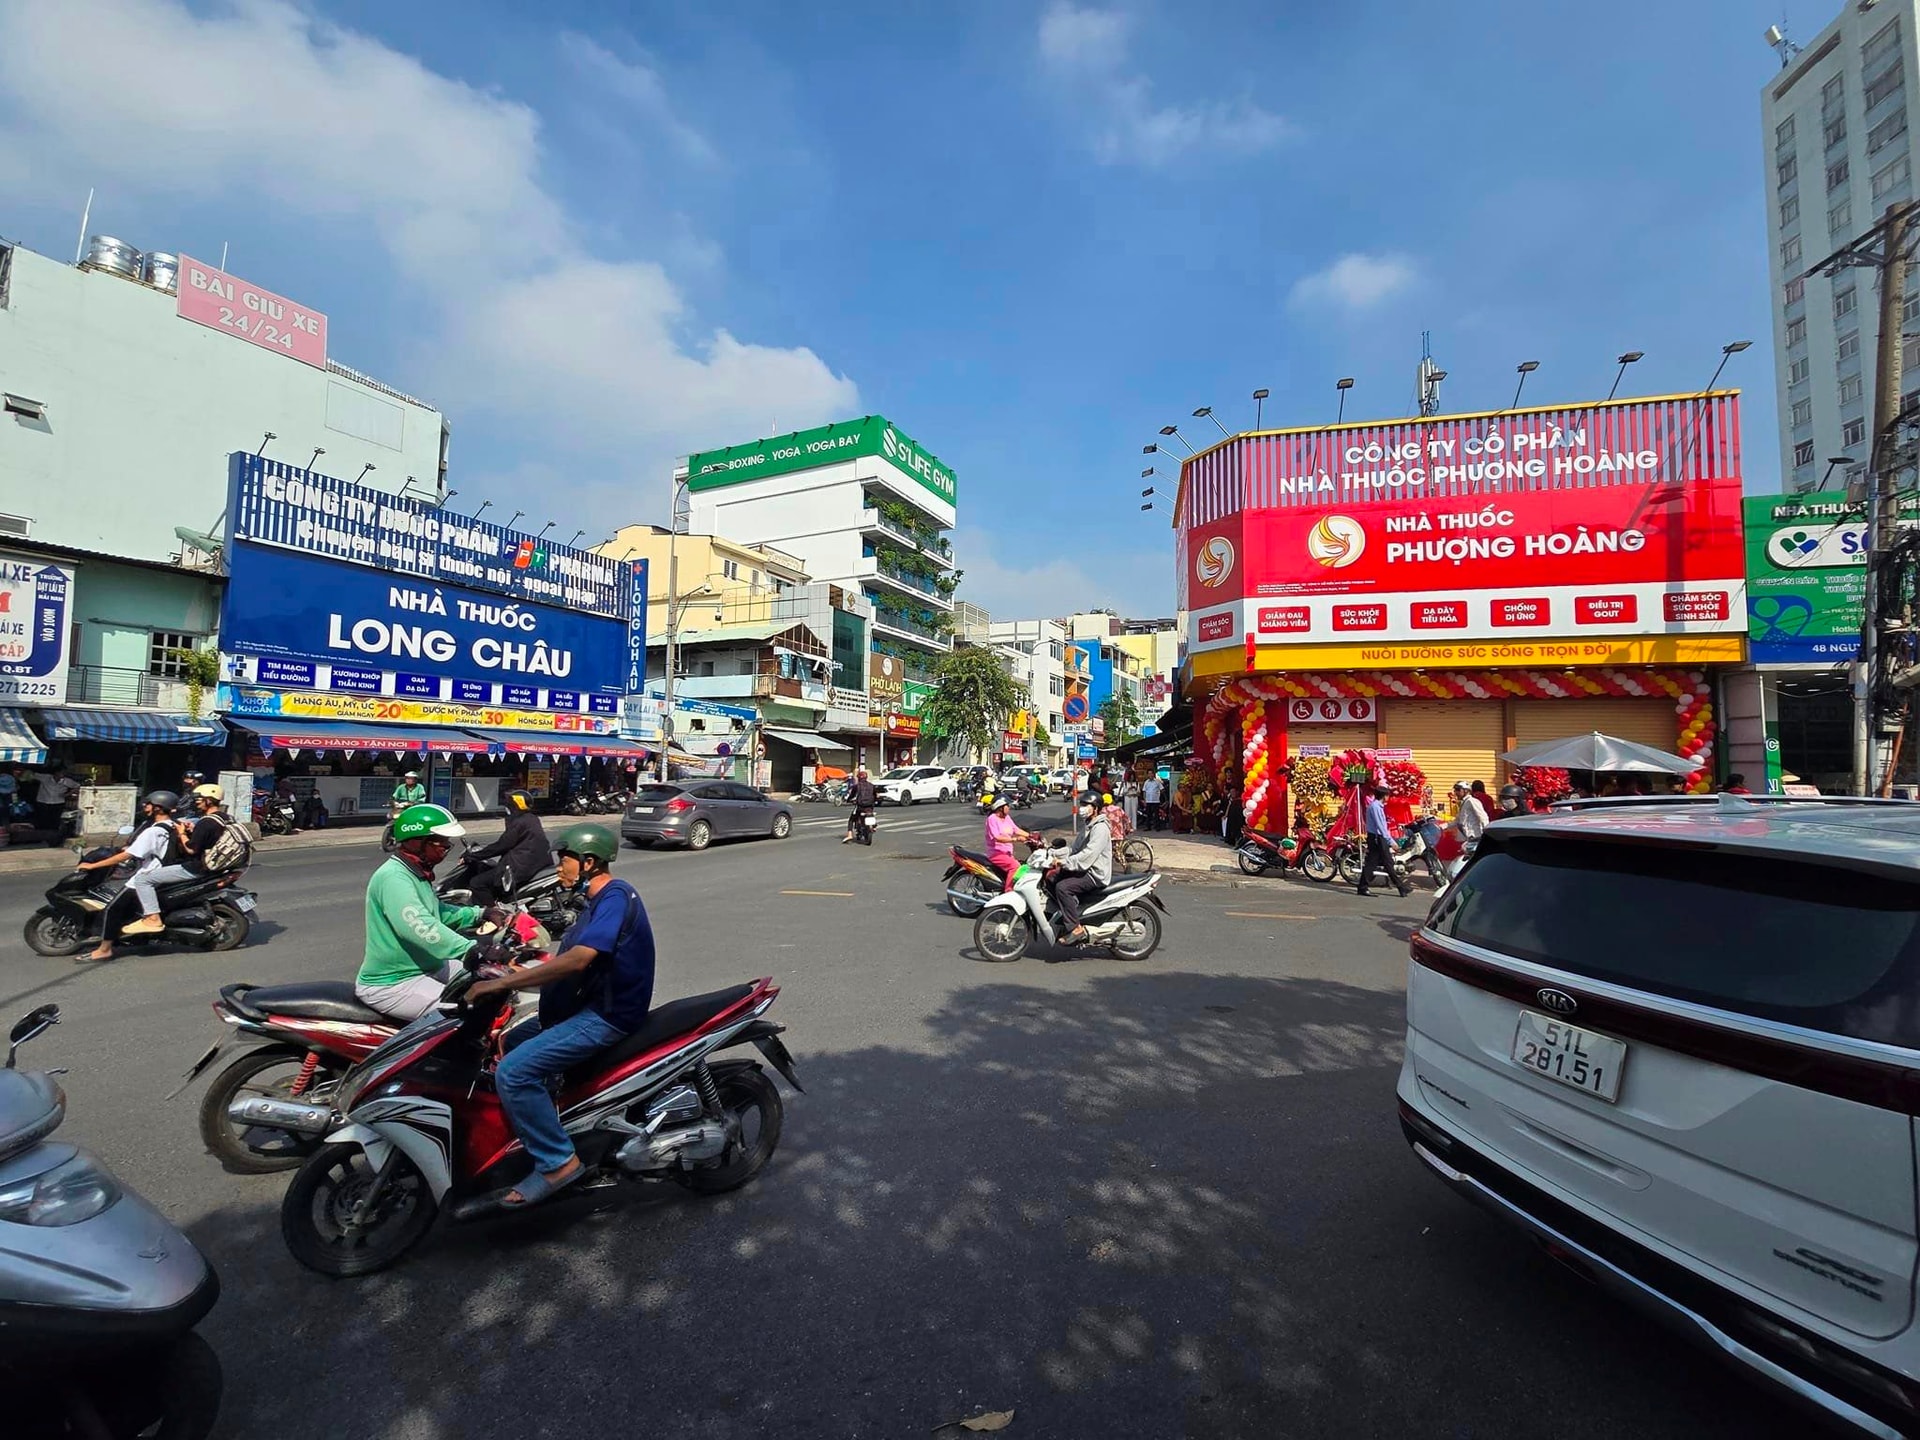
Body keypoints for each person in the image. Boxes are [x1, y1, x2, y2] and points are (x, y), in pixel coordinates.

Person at [467, 823, 655, 1208]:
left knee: (514, 1072)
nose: (559, 867)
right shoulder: (593, 903)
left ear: (588, 862)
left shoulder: (615, 896)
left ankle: (558, 1163)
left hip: (607, 1015)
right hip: (583, 1006)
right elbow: (565, 960)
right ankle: (550, 1117)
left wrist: (503, 986)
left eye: (563, 859)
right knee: (510, 1040)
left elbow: (580, 959)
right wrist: (512, 969)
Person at [354, 803, 488, 1022]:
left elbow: (437, 912)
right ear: (417, 841)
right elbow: (419, 925)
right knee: (464, 1014)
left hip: (428, 965)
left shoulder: (416, 873)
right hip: (395, 981)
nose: (445, 848)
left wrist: (480, 913)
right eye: (440, 842)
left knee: (488, 984)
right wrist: (470, 949)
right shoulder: (394, 878)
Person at [76, 790, 182, 960]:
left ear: (158, 808)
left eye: (149, 804)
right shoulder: (172, 825)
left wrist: (93, 865)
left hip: (148, 874)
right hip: (161, 871)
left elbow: (128, 855)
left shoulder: (152, 832)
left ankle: (105, 949)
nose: (145, 807)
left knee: (112, 909)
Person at [1047, 789, 1113, 944]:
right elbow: (1075, 849)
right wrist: (1054, 853)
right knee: (1051, 878)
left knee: (1063, 887)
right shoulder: (1089, 825)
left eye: (1086, 805)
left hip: (1095, 873)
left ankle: (1076, 928)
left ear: (1095, 808)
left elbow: (1087, 855)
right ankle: (1067, 913)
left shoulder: (1100, 828)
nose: (1082, 808)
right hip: (1085, 868)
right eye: (1081, 804)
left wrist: (1064, 862)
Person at [463, 788, 553, 902]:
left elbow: (502, 845)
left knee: (477, 883)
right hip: (536, 865)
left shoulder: (519, 822)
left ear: (515, 805)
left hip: (521, 867)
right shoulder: (532, 818)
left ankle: (493, 914)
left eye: (509, 803)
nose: (507, 806)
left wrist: (472, 856)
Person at [1355, 785, 1410, 899]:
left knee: (1376, 863)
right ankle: (1400, 887)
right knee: (1385, 862)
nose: (1388, 798)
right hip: (1377, 838)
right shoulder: (1375, 807)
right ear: (1384, 796)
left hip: (1377, 837)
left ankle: (1363, 886)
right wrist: (1391, 842)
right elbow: (1381, 826)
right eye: (1388, 795)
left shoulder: (1378, 807)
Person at [984, 795, 1036, 888]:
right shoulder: (992, 819)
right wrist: (1015, 839)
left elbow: (1016, 829)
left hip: (1007, 853)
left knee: (1022, 866)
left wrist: (1031, 836)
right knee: (1015, 867)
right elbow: (997, 837)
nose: (1009, 808)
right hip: (996, 853)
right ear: (1000, 807)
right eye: (1007, 806)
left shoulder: (1006, 817)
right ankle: (1008, 891)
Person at [844, 766, 877, 842]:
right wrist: (874, 801)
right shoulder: (872, 785)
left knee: (851, 819)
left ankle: (849, 835)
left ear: (858, 778)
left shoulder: (856, 786)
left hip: (860, 806)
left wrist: (848, 800)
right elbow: (875, 795)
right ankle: (874, 826)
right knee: (871, 813)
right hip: (870, 806)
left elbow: (852, 795)